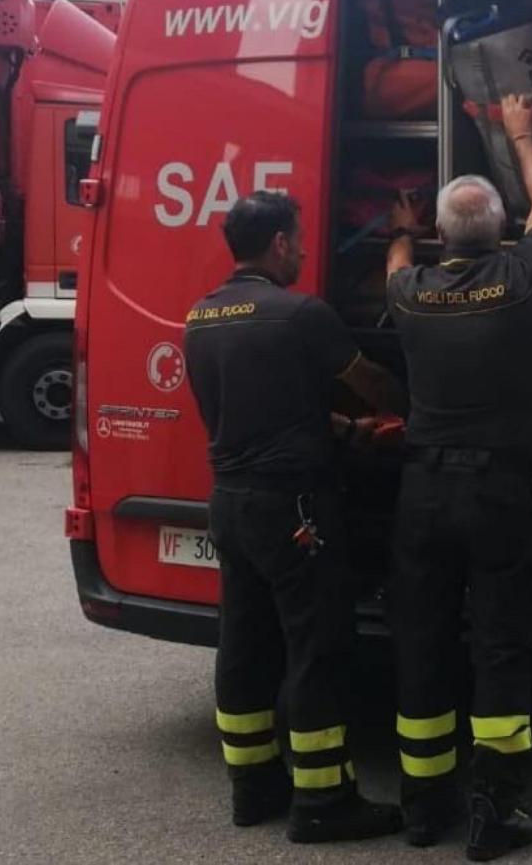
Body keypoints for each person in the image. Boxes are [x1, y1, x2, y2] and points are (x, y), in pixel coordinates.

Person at [183, 190, 406, 845]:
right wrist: (416, 405)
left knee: (245, 642)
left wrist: (343, 432)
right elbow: (372, 382)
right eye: (300, 239)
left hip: (230, 501)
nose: (307, 250)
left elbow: (261, 413)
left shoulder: (201, 317)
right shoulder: (301, 314)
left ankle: (253, 788)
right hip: (294, 507)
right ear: (279, 242)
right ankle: (323, 798)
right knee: (317, 645)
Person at [383, 94, 532, 861]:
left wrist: (400, 226)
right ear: (499, 230)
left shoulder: (412, 293)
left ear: (438, 239)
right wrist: (520, 132)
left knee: (422, 640)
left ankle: (423, 807)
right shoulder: (523, 281)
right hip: (497, 493)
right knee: (499, 645)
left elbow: (392, 262)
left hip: (421, 493)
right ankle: (498, 810)